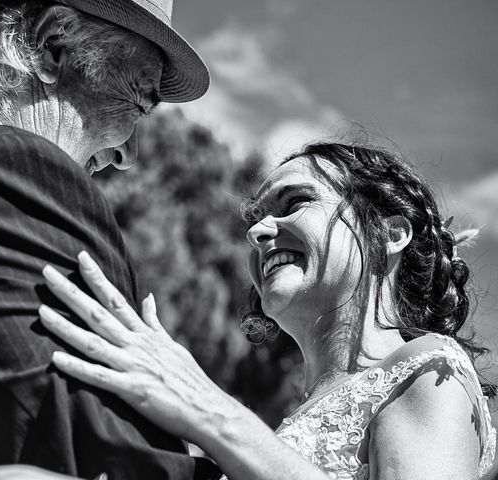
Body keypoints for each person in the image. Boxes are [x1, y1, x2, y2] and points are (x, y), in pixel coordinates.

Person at [0, 0, 213, 479]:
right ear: (53, 46)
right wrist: (222, 424)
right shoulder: (1, 170)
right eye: (137, 100)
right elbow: (113, 463)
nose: (130, 154)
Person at [37, 143, 496, 479]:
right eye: (254, 218)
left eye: (295, 203)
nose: (258, 230)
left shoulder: (431, 367)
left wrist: (208, 409)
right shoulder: (288, 428)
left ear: (390, 234)